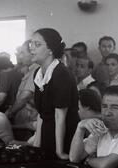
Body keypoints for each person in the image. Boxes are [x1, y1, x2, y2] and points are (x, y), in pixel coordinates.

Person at [29, 28, 79, 159]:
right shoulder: (38, 74)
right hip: (48, 133)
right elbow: (42, 115)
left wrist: (59, 152)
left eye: (37, 44)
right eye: (31, 43)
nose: (32, 48)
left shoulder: (61, 73)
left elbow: (60, 117)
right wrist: (37, 145)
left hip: (64, 137)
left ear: (51, 50)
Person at [6, 40, 39, 131]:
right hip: (24, 118)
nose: (20, 56)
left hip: (29, 119)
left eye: (22, 53)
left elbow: (24, 97)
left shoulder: (36, 71)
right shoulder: (30, 70)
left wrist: (10, 112)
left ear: (32, 53)